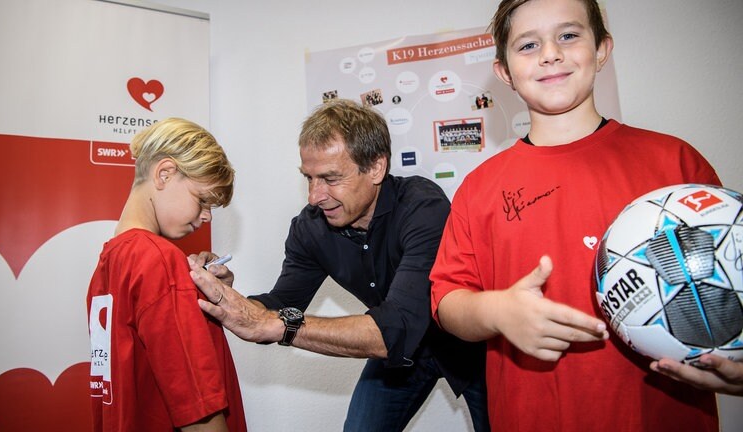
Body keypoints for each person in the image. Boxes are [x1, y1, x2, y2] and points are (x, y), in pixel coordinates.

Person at [429, 0, 725, 430]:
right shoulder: (479, 188)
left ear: (602, 50)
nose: (551, 52)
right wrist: (497, 311)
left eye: (569, 35)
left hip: (665, 414)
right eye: (528, 45)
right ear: (504, 72)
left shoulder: (675, 163)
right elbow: (447, 302)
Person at [188, 99, 488, 431]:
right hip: (398, 345)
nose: (314, 196)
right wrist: (227, 298)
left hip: (471, 344)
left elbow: (393, 327)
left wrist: (275, 325)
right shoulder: (310, 227)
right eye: (309, 178)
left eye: (330, 178)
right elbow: (281, 303)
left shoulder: (421, 207)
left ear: (375, 167)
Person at [86, 118, 247, 431]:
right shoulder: (159, 260)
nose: (207, 216)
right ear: (164, 173)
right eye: (202, 200)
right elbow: (197, 409)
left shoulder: (110, 259)